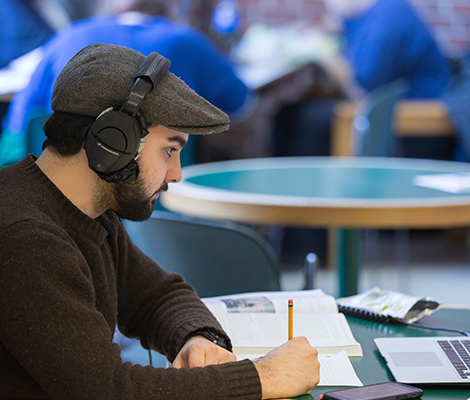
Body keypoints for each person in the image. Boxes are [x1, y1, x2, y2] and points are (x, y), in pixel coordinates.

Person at [0, 43, 319, 400]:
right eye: (170, 149)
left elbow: (157, 295)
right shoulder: (24, 239)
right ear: (113, 143)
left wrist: (198, 338)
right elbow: (108, 390)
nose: (177, 174)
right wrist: (264, 378)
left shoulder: (87, 210)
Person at [273, 0, 454, 263]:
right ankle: (287, 230)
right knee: (287, 116)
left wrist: (327, 57)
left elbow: (361, 88)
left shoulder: (389, 15)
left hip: (414, 135)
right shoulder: (370, 16)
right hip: (390, 119)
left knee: (312, 122)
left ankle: (312, 244)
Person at [0, 0, 254, 167]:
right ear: (166, 7)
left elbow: (18, 126)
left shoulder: (68, 36)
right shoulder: (186, 41)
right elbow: (242, 104)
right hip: (159, 202)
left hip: (65, 200)